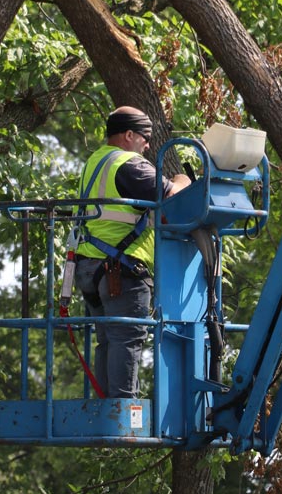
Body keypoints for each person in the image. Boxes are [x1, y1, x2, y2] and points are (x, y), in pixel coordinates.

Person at [74, 106, 191, 398]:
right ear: (128, 135)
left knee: (109, 340)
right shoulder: (129, 165)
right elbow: (172, 198)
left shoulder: (95, 161)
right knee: (128, 337)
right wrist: (182, 181)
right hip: (120, 270)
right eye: (145, 137)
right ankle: (124, 410)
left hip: (89, 265)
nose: (148, 145)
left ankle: (107, 409)